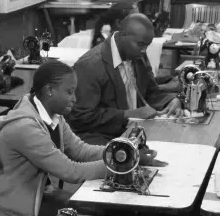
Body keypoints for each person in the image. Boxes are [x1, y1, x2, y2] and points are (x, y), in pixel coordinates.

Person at [0, 61, 109, 216]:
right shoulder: (26, 127)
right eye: (69, 92)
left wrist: (116, 151)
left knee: (90, 208)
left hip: (33, 193)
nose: (74, 99)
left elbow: (80, 150)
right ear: (49, 90)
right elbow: (71, 171)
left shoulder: (53, 115)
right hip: (5, 204)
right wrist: (115, 166)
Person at [68, 14, 181, 144]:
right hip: (100, 135)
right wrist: (128, 114)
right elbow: (80, 115)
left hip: (134, 130)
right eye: (140, 44)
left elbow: (150, 91)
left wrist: (171, 100)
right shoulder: (89, 66)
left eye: (147, 46)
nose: (144, 51)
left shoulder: (137, 55)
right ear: (122, 36)